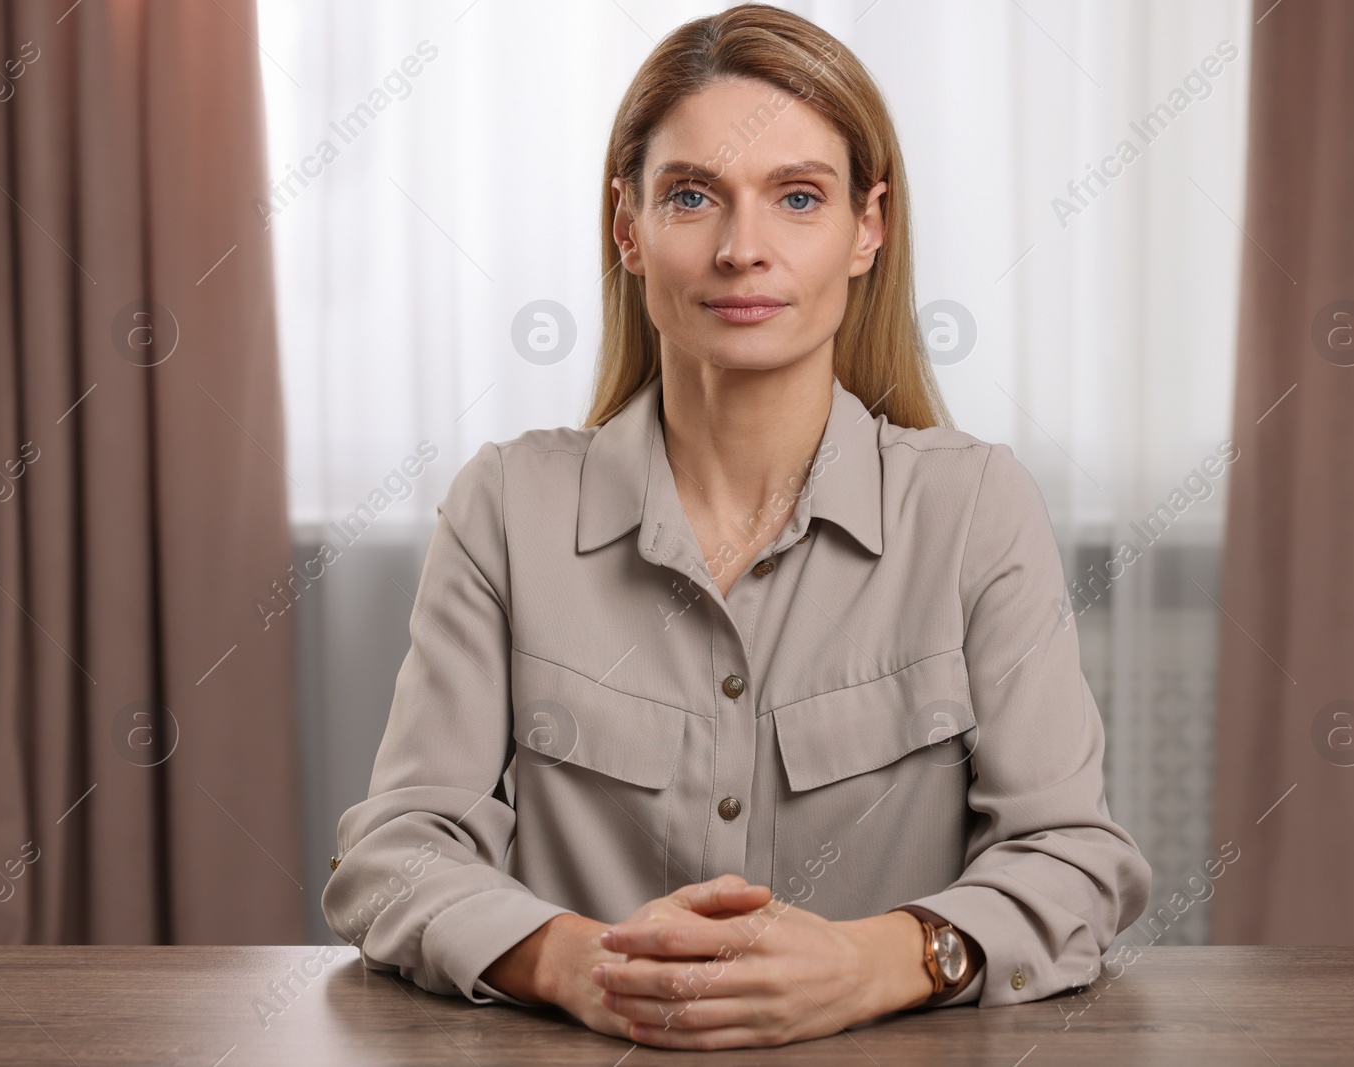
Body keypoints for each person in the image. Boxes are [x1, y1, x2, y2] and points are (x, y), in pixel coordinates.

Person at [321, 3, 1150, 1050]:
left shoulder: (976, 507)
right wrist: (578, 961)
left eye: (797, 197)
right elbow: (395, 852)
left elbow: (1073, 859)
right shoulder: (504, 507)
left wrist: (872, 961)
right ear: (628, 228)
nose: (741, 249)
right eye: (691, 197)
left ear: (867, 227)